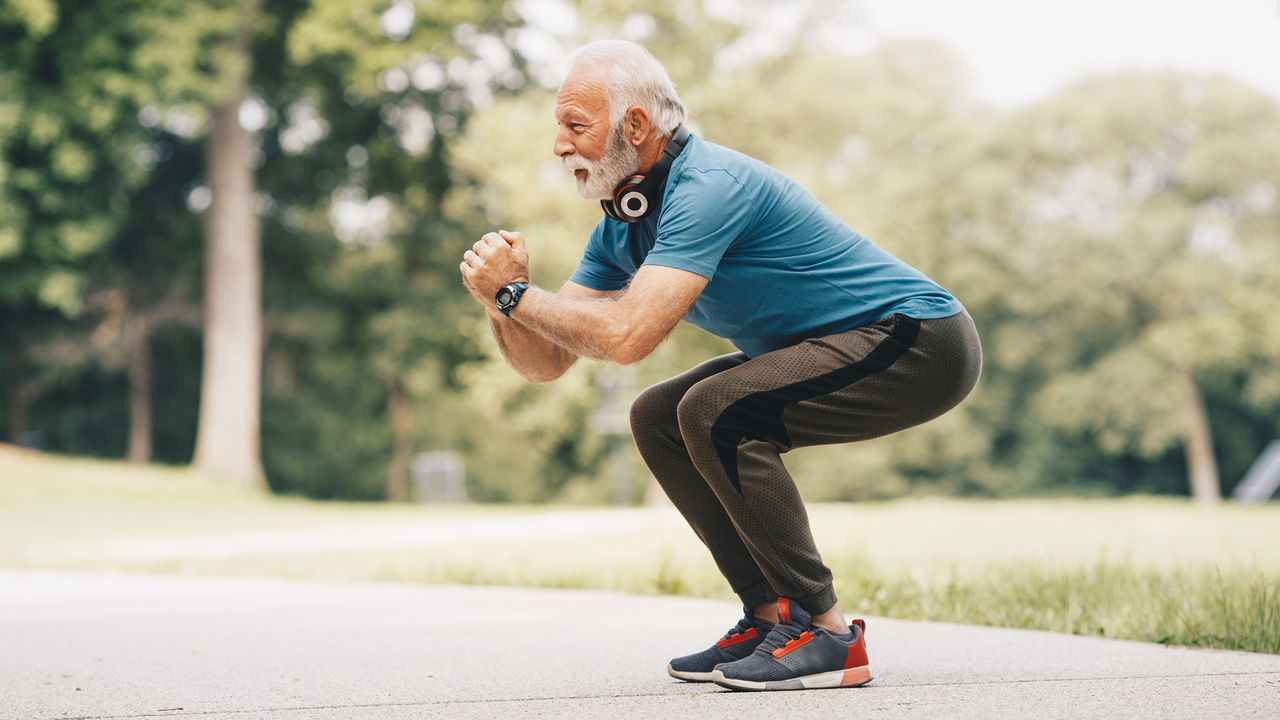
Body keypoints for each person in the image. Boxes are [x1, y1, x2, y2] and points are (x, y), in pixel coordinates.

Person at [458, 39, 982, 692]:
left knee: (714, 411)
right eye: (558, 129)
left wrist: (516, 294)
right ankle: (769, 618)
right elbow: (547, 364)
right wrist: (498, 301)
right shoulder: (623, 223)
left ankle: (827, 634)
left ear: (637, 126)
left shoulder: (708, 186)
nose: (559, 146)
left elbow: (625, 338)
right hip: (846, 344)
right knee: (657, 416)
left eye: (574, 126)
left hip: (918, 340)